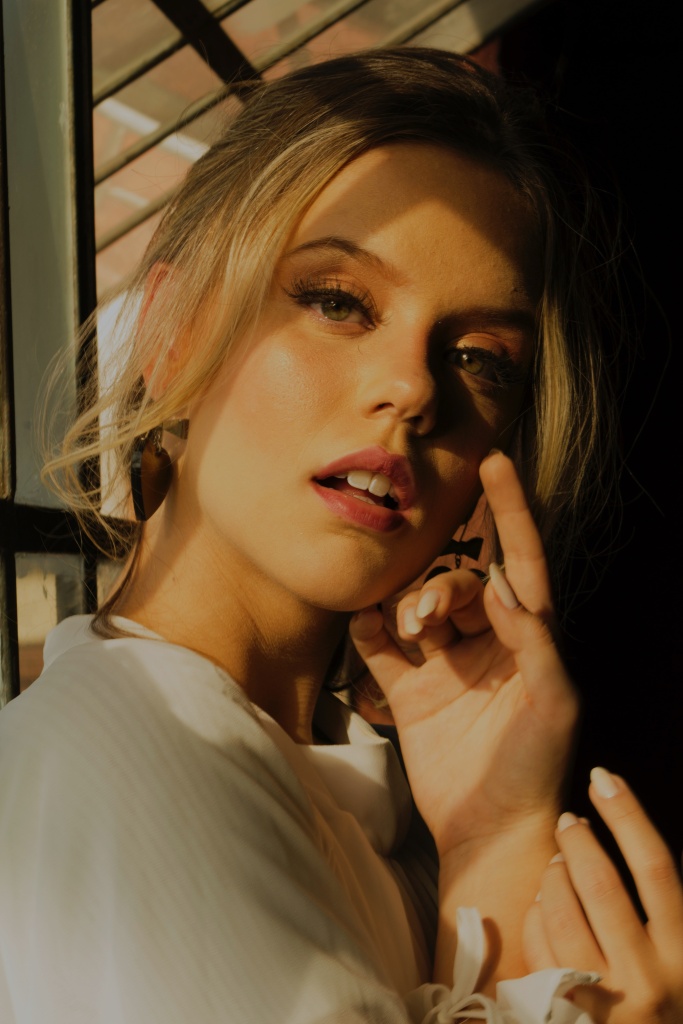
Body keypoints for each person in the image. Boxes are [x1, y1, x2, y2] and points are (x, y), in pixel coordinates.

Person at [0, 48, 681, 1023]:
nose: (412, 387)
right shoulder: (120, 754)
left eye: (477, 358)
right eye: (336, 302)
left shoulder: (376, 799)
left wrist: (491, 833)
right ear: (170, 330)